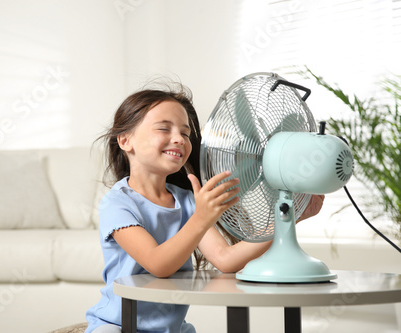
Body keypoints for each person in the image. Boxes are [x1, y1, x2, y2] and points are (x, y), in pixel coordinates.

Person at [85, 83, 324, 333]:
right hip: (120, 325)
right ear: (125, 140)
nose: (179, 138)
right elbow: (158, 264)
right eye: (164, 128)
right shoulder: (118, 203)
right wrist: (201, 218)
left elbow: (226, 259)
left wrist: (291, 217)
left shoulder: (188, 200)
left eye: (186, 133)